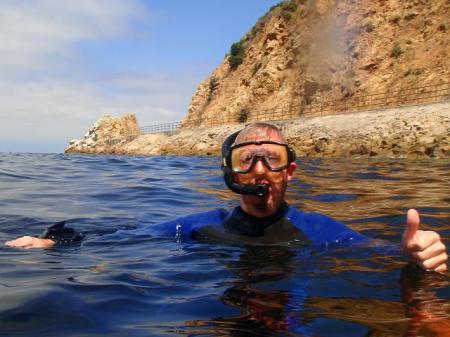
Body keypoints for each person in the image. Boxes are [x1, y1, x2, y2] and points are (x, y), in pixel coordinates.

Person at [5, 122, 448, 273]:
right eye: (246, 160)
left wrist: (411, 256)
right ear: (229, 172)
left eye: (272, 160)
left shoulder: (320, 231)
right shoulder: (196, 226)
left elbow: (380, 253)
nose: (259, 172)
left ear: (289, 172)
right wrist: (55, 241)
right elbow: (126, 235)